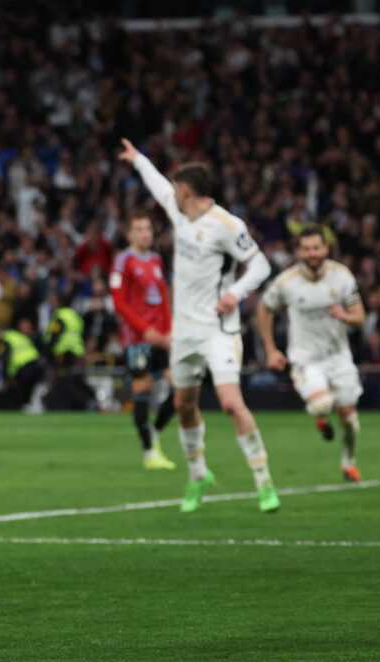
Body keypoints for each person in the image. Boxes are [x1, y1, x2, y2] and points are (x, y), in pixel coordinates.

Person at [118, 138, 278, 513]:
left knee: (230, 403)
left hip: (217, 329)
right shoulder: (179, 212)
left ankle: (264, 481)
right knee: (183, 404)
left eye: (177, 186)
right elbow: (158, 187)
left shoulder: (226, 224)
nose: (172, 191)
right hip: (184, 332)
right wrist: (139, 160)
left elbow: (261, 265)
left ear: (187, 189)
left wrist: (235, 294)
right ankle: (197, 475)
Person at [256, 226, 366, 481]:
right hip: (305, 359)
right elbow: (263, 308)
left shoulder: (342, 277)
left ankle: (349, 465)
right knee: (321, 404)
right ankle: (321, 419)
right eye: (306, 249)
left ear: (326, 248)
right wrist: (270, 349)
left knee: (350, 420)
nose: (312, 253)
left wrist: (345, 317)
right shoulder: (287, 282)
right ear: (298, 252)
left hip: (339, 357)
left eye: (316, 247)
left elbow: (360, 318)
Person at [109, 211, 177, 470]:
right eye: (139, 229)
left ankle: (154, 432)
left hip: (161, 337)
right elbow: (119, 303)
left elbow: (163, 299)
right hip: (137, 338)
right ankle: (149, 452)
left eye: (148, 228)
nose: (145, 233)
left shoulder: (157, 261)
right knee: (143, 390)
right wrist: (144, 329)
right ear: (129, 234)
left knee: (181, 389)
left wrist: (169, 330)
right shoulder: (123, 261)